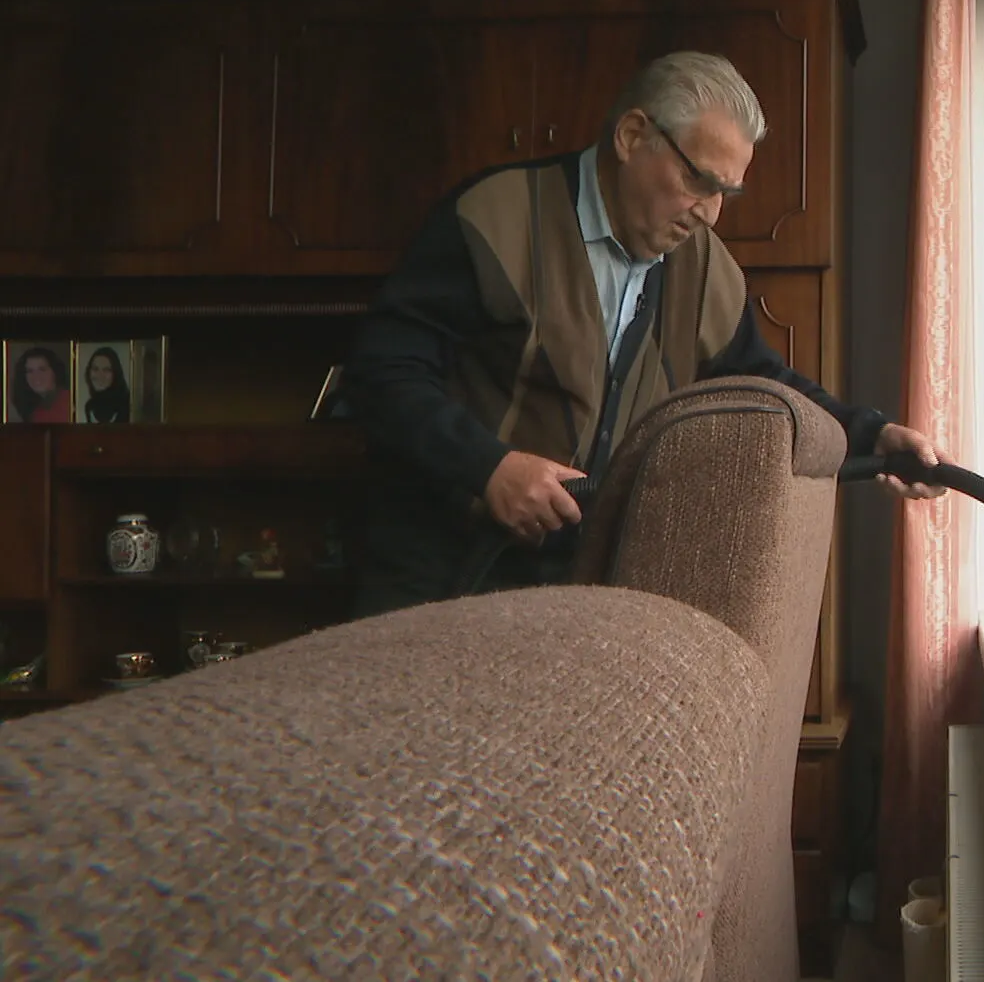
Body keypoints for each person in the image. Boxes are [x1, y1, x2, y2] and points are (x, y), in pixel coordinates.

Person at [344, 51, 946, 619]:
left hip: (575, 581)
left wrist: (873, 433)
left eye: (726, 193)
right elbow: (381, 373)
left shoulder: (706, 269)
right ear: (632, 136)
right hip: (434, 568)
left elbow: (759, 386)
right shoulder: (490, 217)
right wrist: (489, 468)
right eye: (700, 181)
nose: (711, 213)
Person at [8, 346, 71, 424]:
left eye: (42, 369)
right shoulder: (35, 411)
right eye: (30, 371)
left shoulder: (69, 401)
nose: (36, 376)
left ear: (55, 372)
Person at [81, 346, 132, 424]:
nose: (100, 375)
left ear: (115, 373)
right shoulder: (90, 407)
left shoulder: (128, 405)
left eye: (106, 370)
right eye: (95, 369)